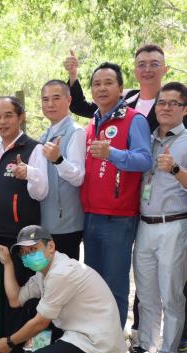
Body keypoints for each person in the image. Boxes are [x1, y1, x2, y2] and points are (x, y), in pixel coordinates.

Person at [0, 225, 125, 353]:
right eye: (24, 253)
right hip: (79, 331)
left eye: (33, 249)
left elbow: (41, 323)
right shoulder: (43, 272)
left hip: (95, 339)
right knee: (33, 308)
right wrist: (8, 263)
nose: (29, 256)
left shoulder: (61, 273)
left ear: (51, 246)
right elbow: (15, 300)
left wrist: (9, 342)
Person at [117, 82, 187, 353]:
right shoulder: (145, 139)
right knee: (145, 293)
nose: (166, 108)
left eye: (174, 103)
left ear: (184, 109)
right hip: (144, 224)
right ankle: (146, 346)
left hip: (174, 224)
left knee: (171, 294)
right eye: (162, 103)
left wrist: (174, 170)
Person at [79, 63, 152, 329]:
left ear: (121, 89)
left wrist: (113, 155)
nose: (101, 88)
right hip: (91, 216)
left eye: (108, 82)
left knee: (115, 285)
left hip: (118, 217)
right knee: (94, 284)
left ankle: (111, 345)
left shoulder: (134, 119)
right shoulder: (90, 125)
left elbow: (145, 160)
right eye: (97, 83)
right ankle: (96, 339)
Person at [0, 96, 48, 353]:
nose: (2, 122)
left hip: (25, 238)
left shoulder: (33, 149)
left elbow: (42, 191)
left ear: (20, 117)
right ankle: (9, 348)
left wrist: (29, 173)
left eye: (8, 115)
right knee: (4, 295)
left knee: (29, 296)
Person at [64, 44, 178, 131]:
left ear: (165, 70)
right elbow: (79, 107)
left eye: (154, 64)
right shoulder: (123, 99)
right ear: (135, 71)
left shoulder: (177, 104)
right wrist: (73, 74)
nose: (147, 69)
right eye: (142, 65)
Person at [37, 80, 86, 259]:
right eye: (45, 99)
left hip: (66, 224)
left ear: (69, 100)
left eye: (56, 98)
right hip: (46, 221)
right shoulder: (45, 135)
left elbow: (78, 177)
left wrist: (58, 160)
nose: (50, 104)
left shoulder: (76, 132)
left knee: (64, 279)